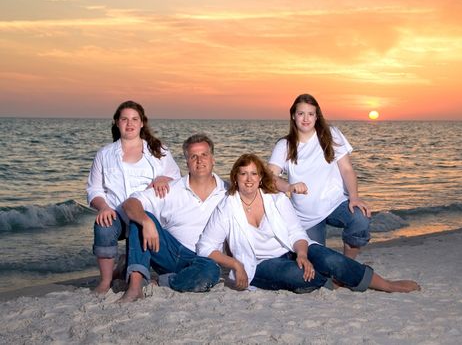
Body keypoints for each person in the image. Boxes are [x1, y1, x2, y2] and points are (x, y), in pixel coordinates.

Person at [197, 154, 420, 294]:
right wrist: (236, 265)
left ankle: (385, 284)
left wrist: (303, 255)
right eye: (243, 173)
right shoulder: (227, 207)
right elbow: (205, 247)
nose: (248, 179)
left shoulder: (275, 200)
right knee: (301, 277)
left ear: (261, 178)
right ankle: (336, 278)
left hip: (292, 250)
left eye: (254, 174)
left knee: (329, 257)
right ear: (235, 177)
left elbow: (296, 232)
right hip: (260, 263)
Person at [87, 100, 181, 294]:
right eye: (124, 119)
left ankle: (133, 278)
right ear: (116, 122)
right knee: (103, 226)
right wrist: (103, 207)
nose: (129, 124)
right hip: (117, 215)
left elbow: (177, 180)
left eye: (134, 119)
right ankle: (105, 281)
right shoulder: (104, 154)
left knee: (140, 224)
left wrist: (164, 178)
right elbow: (94, 189)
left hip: (148, 214)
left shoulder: (158, 151)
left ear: (142, 123)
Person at [119, 133, 227, 302]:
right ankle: (134, 287)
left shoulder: (228, 193)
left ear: (213, 159)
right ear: (187, 163)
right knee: (140, 219)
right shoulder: (171, 189)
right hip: (170, 254)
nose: (200, 161)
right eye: (194, 156)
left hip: (205, 261)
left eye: (204, 155)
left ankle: (164, 281)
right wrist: (146, 221)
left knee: (210, 272)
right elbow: (130, 203)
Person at [268, 93, 370, 259]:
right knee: (317, 265)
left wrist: (354, 197)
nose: (306, 118)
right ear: (294, 116)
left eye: (310, 114)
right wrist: (288, 186)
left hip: (335, 204)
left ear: (317, 116)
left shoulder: (331, 135)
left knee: (360, 218)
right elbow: (270, 178)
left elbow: (347, 169)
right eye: (301, 113)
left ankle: (348, 265)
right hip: (305, 216)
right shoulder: (284, 145)